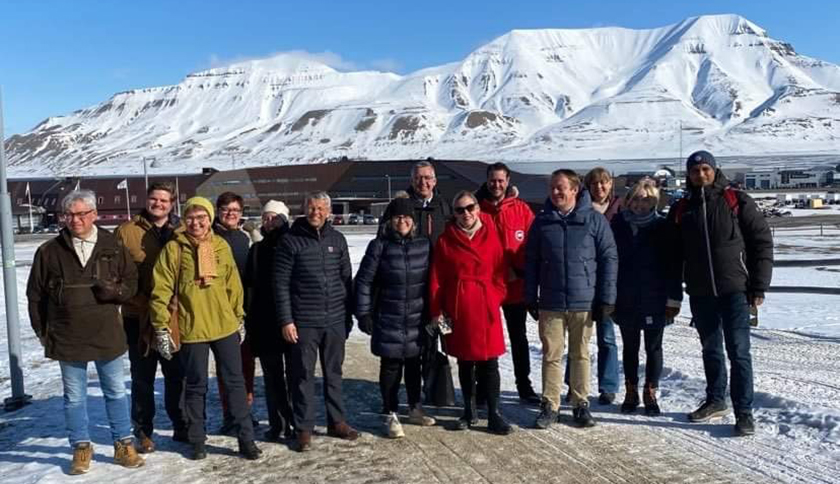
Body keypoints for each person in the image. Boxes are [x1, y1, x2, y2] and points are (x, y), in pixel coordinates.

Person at [27, 190, 144, 475]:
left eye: (81, 214)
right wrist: (43, 331)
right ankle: (80, 446)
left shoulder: (112, 245)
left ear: (94, 215)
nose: (75, 220)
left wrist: (117, 292)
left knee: (116, 391)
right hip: (67, 335)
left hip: (106, 333)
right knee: (75, 397)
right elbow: (35, 295)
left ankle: (123, 443)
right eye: (70, 215)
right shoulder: (49, 251)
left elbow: (132, 280)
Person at [668, 151, 773, 436]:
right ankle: (716, 400)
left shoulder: (736, 201)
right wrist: (673, 293)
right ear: (688, 175)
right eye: (694, 171)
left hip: (736, 291)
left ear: (714, 170)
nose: (700, 175)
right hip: (701, 293)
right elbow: (673, 256)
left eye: (705, 169)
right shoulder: (681, 209)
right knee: (711, 350)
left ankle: (744, 412)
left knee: (739, 352)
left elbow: (761, 242)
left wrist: (759, 285)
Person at [150, 197, 262, 460]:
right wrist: (161, 326)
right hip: (192, 328)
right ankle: (197, 440)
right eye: (190, 217)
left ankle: (246, 439)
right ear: (184, 219)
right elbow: (160, 290)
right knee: (196, 385)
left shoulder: (221, 246)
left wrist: (239, 317)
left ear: (210, 218)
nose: (196, 222)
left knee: (235, 383)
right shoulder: (174, 249)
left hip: (224, 327)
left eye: (201, 217)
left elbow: (233, 286)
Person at [525, 169, 618, 429]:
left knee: (580, 354)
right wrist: (531, 296)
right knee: (551, 354)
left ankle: (580, 403)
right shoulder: (542, 222)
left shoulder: (594, 221)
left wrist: (607, 298)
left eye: (561, 187)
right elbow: (531, 261)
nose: (556, 192)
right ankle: (550, 405)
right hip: (551, 302)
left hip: (584, 300)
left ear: (575, 190)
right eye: (553, 188)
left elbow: (609, 258)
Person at [275, 191, 358, 452]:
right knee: (302, 376)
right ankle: (304, 428)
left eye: (321, 208)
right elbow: (280, 285)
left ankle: (337, 421)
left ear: (328, 211)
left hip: (334, 320)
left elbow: (346, 280)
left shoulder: (338, 239)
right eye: (311, 208)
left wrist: (347, 316)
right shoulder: (290, 241)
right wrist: (286, 320)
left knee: (334, 373)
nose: (316, 212)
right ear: (304, 209)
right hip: (304, 322)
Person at [429, 191, 513, 435]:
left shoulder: (492, 235)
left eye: (469, 207)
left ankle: (494, 413)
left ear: (478, 209)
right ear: (453, 214)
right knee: (465, 362)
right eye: (459, 210)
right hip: (459, 308)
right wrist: (438, 312)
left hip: (485, 306)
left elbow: (501, 271)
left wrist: (495, 296)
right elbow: (437, 280)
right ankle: (469, 409)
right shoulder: (445, 241)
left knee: (490, 361)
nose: (465, 213)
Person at [355, 197, 436, 439]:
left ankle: (414, 408)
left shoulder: (424, 245)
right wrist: (363, 313)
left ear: (413, 220)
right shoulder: (378, 246)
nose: (402, 221)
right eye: (398, 217)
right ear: (390, 221)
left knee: (414, 365)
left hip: (416, 317)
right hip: (387, 316)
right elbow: (363, 281)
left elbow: (434, 281)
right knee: (390, 366)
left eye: (407, 217)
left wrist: (436, 313)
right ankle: (390, 413)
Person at [115, 181, 188, 452]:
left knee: (176, 374)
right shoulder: (127, 232)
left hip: (174, 317)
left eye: (164, 200)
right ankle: (143, 430)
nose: (158, 204)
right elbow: (116, 274)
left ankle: (181, 424)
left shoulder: (181, 230)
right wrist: (140, 300)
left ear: (172, 203)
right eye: (154, 199)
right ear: (147, 200)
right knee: (143, 376)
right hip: (138, 315)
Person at [611, 179, 681, 415]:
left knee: (653, 347)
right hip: (625, 295)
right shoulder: (618, 224)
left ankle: (650, 391)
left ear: (655, 201)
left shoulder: (663, 226)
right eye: (636, 198)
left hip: (655, 296)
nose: (641, 203)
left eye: (647, 198)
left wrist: (674, 298)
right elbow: (610, 262)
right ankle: (631, 390)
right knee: (630, 347)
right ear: (628, 200)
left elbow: (673, 264)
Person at [475, 162, 539, 404]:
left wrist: (520, 271)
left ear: (508, 181)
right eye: (493, 180)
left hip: (515, 287)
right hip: (488, 286)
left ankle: (524, 384)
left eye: (501, 180)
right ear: (487, 181)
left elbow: (531, 246)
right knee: (486, 337)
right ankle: (484, 387)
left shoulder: (521, 210)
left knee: (518, 337)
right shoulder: (478, 209)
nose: (497, 185)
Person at [562, 167, 622, 404]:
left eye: (604, 182)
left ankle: (608, 386)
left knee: (607, 337)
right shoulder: (579, 209)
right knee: (578, 339)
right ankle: (573, 384)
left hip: (607, 282)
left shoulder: (620, 210)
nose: (600, 187)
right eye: (595, 183)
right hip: (582, 282)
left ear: (611, 184)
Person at [243, 200, 295, 442]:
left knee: (296, 377)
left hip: (293, 323)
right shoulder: (257, 251)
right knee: (272, 379)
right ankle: (278, 424)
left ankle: (298, 422)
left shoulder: (295, 246)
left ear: (285, 219)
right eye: (265, 217)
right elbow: (250, 290)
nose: (268, 221)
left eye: (274, 217)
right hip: (265, 324)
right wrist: (251, 324)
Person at [212, 191, 257, 433]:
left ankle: (244, 410)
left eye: (236, 210)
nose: (231, 214)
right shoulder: (209, 237)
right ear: (218, 211)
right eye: (226, 209)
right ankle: (230, 413)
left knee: (246, 364)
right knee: (226, 367)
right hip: (221, 311)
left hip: (244, 310)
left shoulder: (243, 239)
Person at [381, 161, 452, 244]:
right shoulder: (398, 207)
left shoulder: (445, 206)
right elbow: (382, 239)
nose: (423, 182)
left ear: (434, 181)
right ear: (412, 181)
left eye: (427, 178)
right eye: (418, 178)